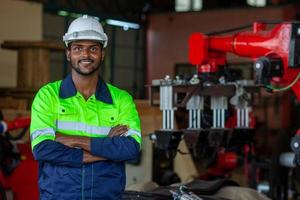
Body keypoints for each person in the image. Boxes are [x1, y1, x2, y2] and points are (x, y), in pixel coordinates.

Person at [30, 15, 141, 200]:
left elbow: (130, 148)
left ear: (102, 53)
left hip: (105, 195)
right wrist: (106, 148)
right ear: (68, 53)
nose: (85, 55)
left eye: (93, 48)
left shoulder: (121, 99)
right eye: (78, 48)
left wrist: (71, 139)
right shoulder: (48, 95)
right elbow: (42, 149)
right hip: (59, 195)